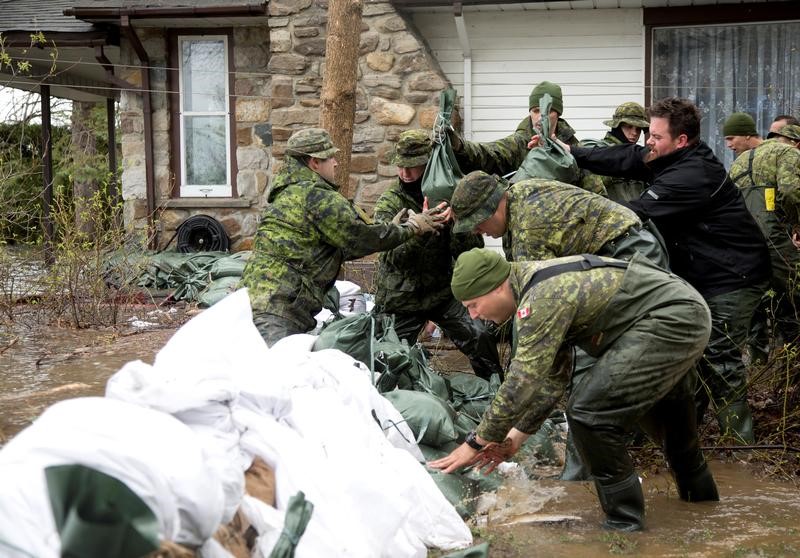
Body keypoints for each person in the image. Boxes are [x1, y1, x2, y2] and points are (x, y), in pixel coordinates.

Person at [429, 248, 719, 532]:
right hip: (680, 314)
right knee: (673, 430)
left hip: (669, 321)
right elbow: (554, 377)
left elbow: (521, 381)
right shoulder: (534, 285)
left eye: (473, 304)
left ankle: (623, 525)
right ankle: (704, 508)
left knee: (589, 414)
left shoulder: (540, 298)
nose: (474, 316)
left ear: (497, 287)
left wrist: (476, 442)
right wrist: (516, 437)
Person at [565, 97, 771, 444]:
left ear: (682, 141)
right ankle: (687, 436)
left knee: (718, 358)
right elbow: (628, 158)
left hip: (733, 277)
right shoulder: (672, 155)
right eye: (650, 134)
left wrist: (573, 220)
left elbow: (633, 213)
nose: (649, 143)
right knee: (694, 359)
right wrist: (573, 152)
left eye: (656, 137)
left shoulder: (692, 175)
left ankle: (740, 445)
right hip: (703, 273)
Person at [240, 127, 444, 347]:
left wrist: (392, 231)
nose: (336, 163)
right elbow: (362, 237)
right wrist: (412, 227)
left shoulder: (286, 194)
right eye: (330, 157)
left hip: (254, 301)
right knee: (276, 374)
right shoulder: (318, 196)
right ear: (314, 162)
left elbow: (327, 249)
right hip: (278, 309)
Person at [372, 130, 503, 380]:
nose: (405, 173)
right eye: (401, 166)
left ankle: (496, 395)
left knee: (479, 334)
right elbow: (390, 257)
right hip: (401, 299)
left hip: (442, 292)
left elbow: (472, 252)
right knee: (384, 356)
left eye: (413, 166)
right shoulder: (390, 202)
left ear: (429, 164)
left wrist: (456, 224)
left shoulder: (449, 193)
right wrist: (417, 232)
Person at [450, 170, 667, 268]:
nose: (476, 231)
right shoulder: (519, 193)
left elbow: (539, 295)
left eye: (476, 223)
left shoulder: (529, 226)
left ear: (491, 208)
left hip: (631, 254)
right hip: (628, 245)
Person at [448, 81, 605, 195]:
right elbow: (488, 154)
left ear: (557, 113)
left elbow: (595, 193)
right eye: (535, 111)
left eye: (547, 111)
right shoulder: (519, 143)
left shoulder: (572, 148)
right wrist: (459, 146)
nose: (540, 118)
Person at [729, 122, 800, 350]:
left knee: (760, 305)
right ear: (797, 143)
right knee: (792, 296)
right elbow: (790, 191)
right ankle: (792, 362)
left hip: (744, 243)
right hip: (776, 239)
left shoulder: (740, 161)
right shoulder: (788, 153)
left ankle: (759, 364)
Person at [583, 102, 651, 202]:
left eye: (638, 129)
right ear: (617, 126)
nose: (634, 133)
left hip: (637, 216)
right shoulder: (594, 148)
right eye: (629, 127)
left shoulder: (639, 156)